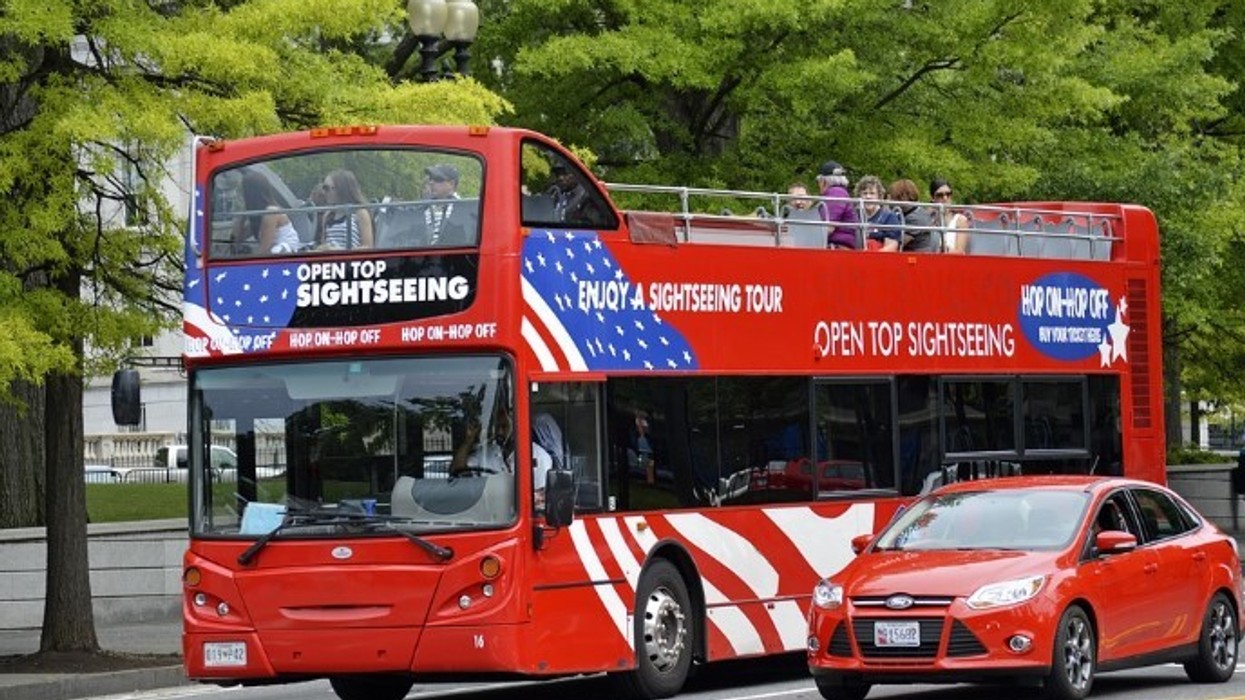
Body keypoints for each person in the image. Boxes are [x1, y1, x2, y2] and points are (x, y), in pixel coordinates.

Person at [231, 169, 302, 255]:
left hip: (285, 254)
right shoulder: (259, 215)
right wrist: (242, 213)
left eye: (242, 191)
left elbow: (264, 250)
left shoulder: (271, 213)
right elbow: (237, 238)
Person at [316, 169, 374, 250]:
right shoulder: (328, 215)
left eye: (327, 188)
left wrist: (339, 250)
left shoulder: (360, 213)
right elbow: (324, 243)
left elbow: (368, 247)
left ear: (341, 188)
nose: (324, 192)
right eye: (323, 188)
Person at [815, 161, 859, 249]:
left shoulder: (836, 193)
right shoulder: (840, 192)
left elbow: (828, 227)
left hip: (837, 248)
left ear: (823, 181)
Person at [888, 178, 939, 252]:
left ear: (903, 197)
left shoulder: (915, 218)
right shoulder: (918, 211)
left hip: (919, 258)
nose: (892, 201)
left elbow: (899, 243)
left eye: (895, 198)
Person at [855, 175, 902, 252]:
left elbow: (891, 246)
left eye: (872, 193)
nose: (868, 197)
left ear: (879, 196)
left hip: (880, 259)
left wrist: (872, 258)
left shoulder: (889, 217)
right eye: (865, 193)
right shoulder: (854, 215)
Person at [421, 164, 463, 245]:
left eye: (437, 179)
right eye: (430, 179)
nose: (431, 182)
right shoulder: (423, 207)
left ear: (451, 184)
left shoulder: (464, 210)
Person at [931, 178, 970, 254]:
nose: (945, 198)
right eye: (940, 195)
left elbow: (960, 252)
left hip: (952, 262)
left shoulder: (960, 220)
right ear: (933, 198)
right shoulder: (929, 220)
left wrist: (944, 250)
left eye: (948, 194)